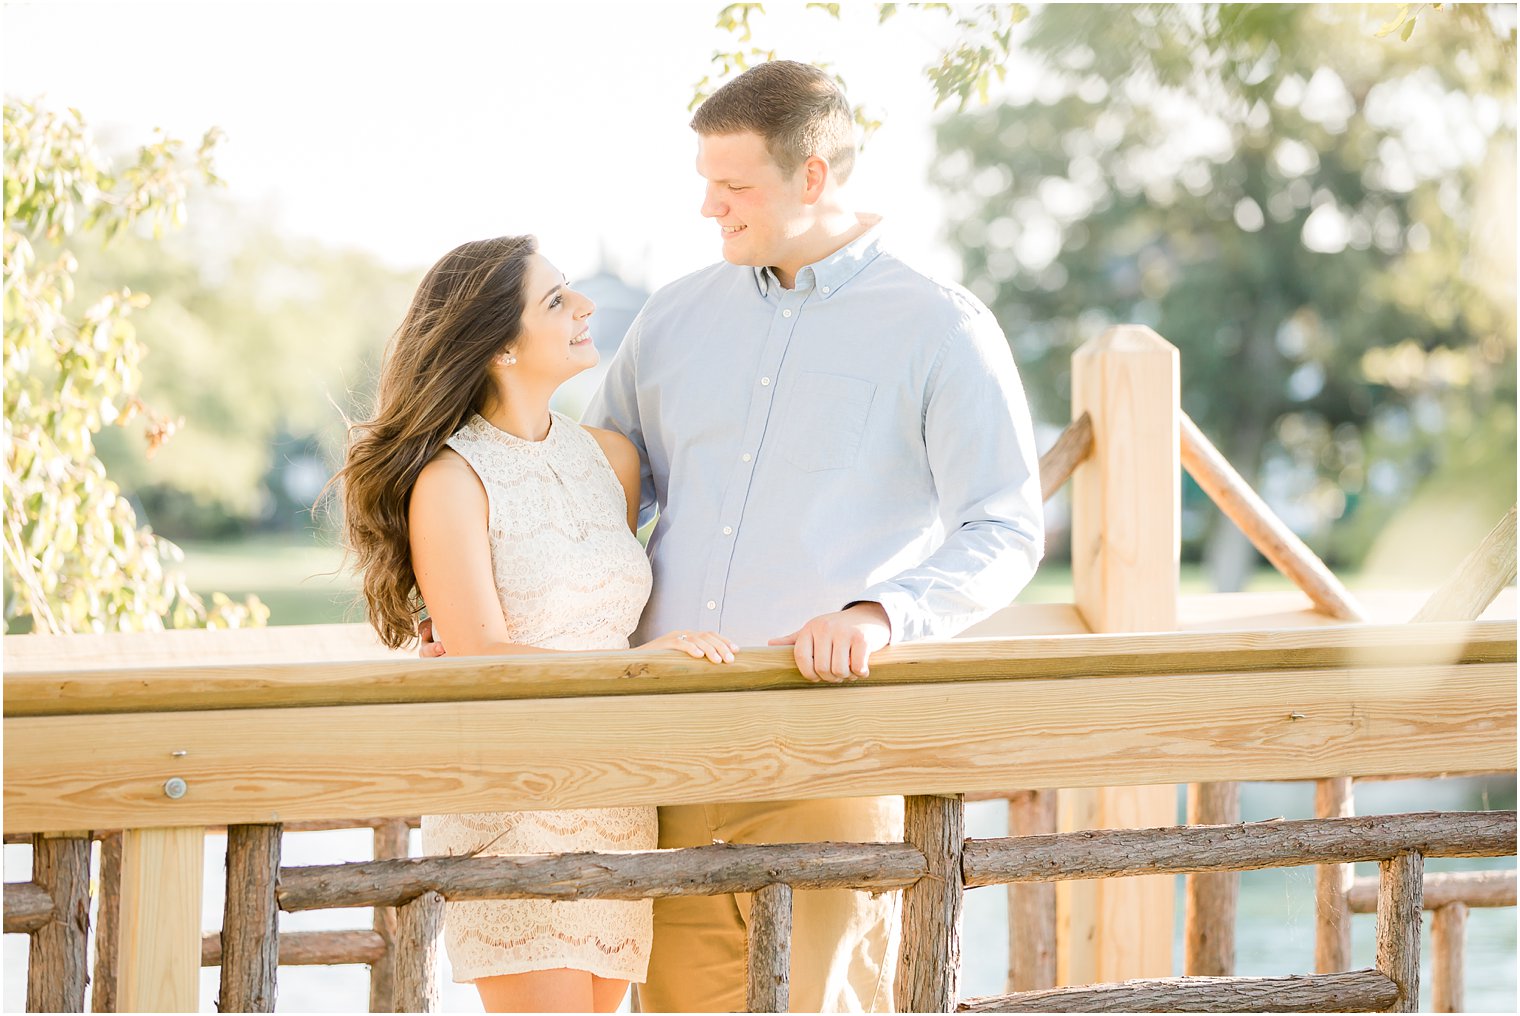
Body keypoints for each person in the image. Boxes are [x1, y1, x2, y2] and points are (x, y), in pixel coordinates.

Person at [426, 61, 1044, 1011]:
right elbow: (580, 485)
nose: (711, 207)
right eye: (706, 183)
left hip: (825, 752)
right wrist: (475, 621)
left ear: (814, 177)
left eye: (736, 185)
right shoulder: (674, 316)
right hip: (659, 763)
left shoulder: (940, 329)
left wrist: (882, 614)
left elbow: (1005, 527)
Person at [334, 235, 738, 1014]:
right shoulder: (452, 480)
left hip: (618, 801)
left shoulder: (610, 460)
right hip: (515, 805)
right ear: (499, 348)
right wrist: (643, 668)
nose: (584, 306)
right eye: (555, 300)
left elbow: (610, 622)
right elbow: (481, 652)